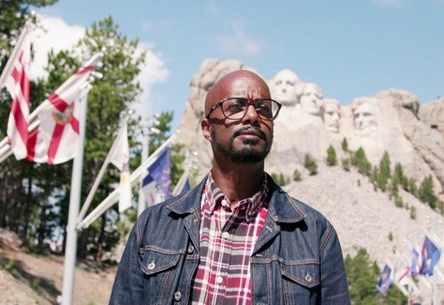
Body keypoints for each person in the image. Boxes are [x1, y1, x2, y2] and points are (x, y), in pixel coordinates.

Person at [109, 69, 351, 304]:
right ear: (207, 128)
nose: (252, 116)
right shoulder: (154, 226)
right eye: (235, 107)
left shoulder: (314, 233)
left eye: (263, 109)